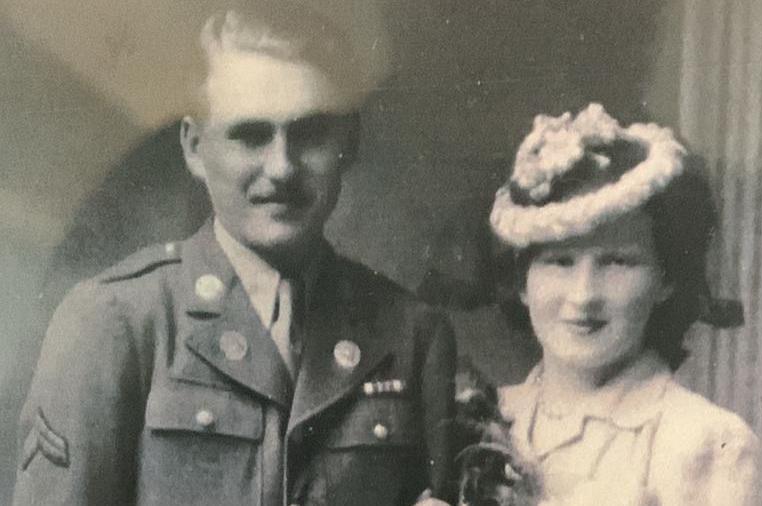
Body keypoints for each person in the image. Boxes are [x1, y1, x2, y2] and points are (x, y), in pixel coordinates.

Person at [13, 7, 456, 506]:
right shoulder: (117, 322)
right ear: (195, 147)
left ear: (347, 145)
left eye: (309, 134)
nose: (282, 167)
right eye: (250, 135)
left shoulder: (412, 335)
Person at [480, 103, 758, 505]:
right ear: (522, 280)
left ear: (666, 278)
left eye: (617, 261)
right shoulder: (485, 421)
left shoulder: (707, 442)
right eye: (559, 262)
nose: (584, 295)